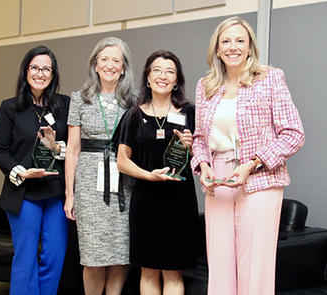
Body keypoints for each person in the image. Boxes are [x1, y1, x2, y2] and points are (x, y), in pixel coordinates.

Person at [191, 16, 305, 295]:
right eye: (226, 41)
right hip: (217, 181)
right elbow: (199, 139)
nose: (233, 47)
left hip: (259, 179)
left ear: (250, 46)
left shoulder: (269, 78)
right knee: (218, 266)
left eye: (240, 40)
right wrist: (203, 165)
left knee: (255, 266)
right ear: (217, 49)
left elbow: (294, 133)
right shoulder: (205, 86)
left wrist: (252, 164)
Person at [117, 50, 199, 295]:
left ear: (177, 80)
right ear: (148, 77)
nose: (163, 76)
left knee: (174, 272)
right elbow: (122, 161)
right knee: (149, 270)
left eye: (170, 71)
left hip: (179, 202)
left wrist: (191, 147)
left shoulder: (189, 111)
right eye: (157, 70)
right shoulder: (133, 115)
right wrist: (148, 175)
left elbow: (202, 157)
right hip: (145, 201)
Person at [0, 46, 69, 295]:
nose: (40, 73)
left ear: (53, 74)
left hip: (55, 192)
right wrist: (21, 172)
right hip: (23, 192)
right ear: (25, 71)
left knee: (55, 256)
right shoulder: (10, 108)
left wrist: (56, 147)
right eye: (35, 67)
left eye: (46, 68)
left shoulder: (63, 106)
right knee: (25, 259)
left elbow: (72, 148)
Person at [63, 37, 136, 295]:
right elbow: (72, 150)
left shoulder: (134, 101)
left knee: (120, 252)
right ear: (95, 64)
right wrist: (69, 194)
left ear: (124, 67)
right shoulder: (79, 98)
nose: (110, 65)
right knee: (92, 255)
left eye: (116, 60)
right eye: (105, 59)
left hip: (123, 181)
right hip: (88, 183)